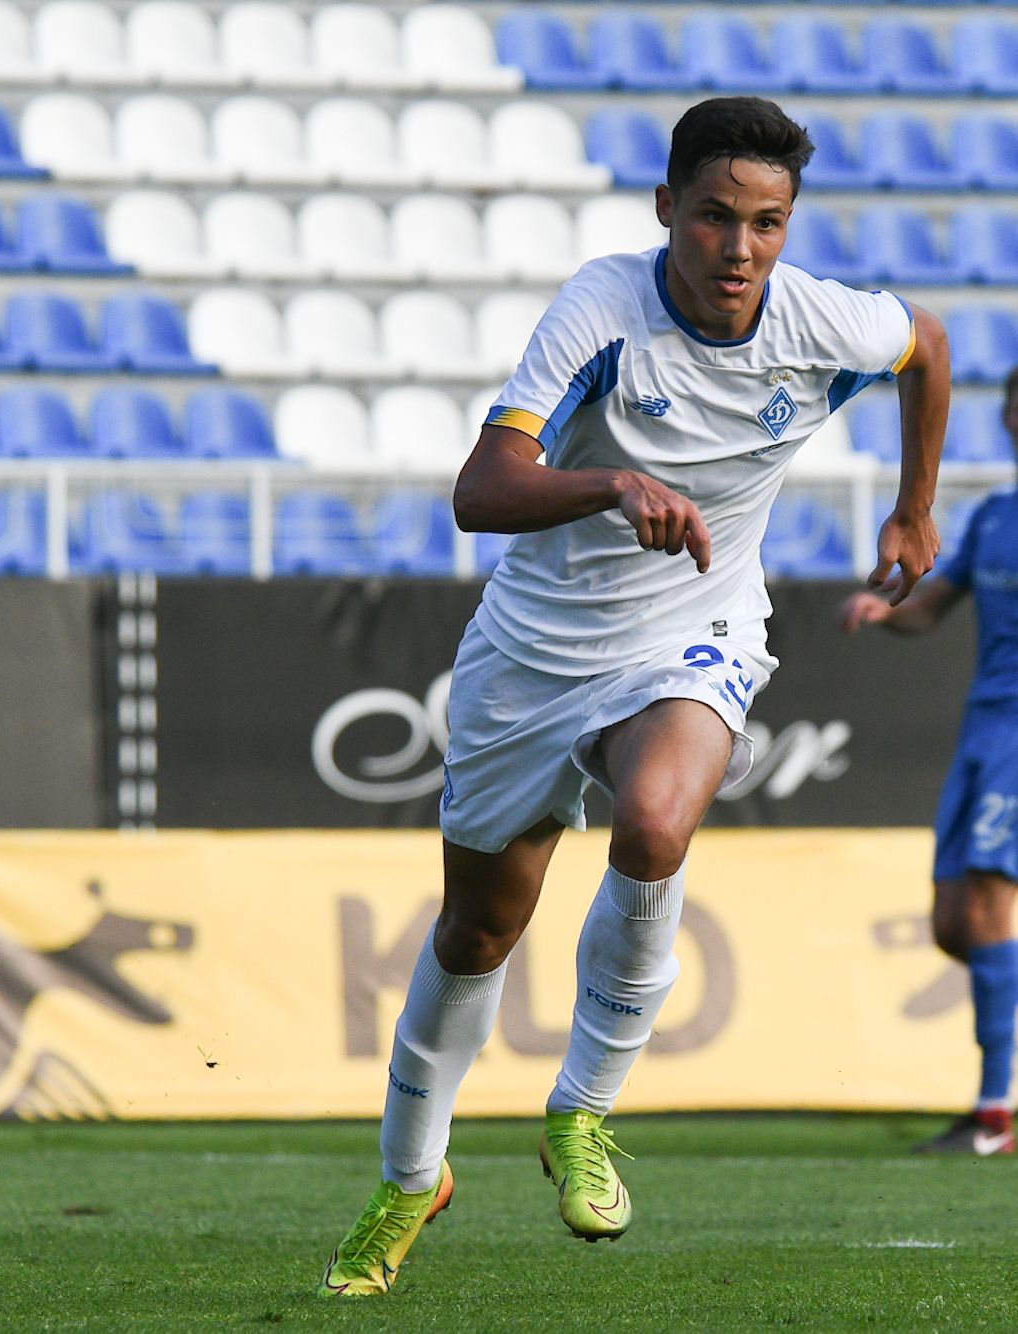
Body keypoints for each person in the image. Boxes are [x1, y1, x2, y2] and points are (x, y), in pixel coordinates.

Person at [318, 95, 949, 1298]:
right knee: (476, 931)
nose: (740, 248)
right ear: (667, 210)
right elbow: (480, 487)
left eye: (765, 222)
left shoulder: (820, 321)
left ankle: (581, 1111)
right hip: (531, 653)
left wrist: (914, 504)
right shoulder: (603, 308)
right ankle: (410, 1180)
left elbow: (924, 342)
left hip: (691, 627)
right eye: (714, 216)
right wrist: (609, 481)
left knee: (656, 823)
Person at [840, 367, 1018, 1158]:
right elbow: (936, 608)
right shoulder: (993, 520)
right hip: (985, 729)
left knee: (986, 903)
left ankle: (993, 1116)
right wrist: (888, 612)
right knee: (955, 923)